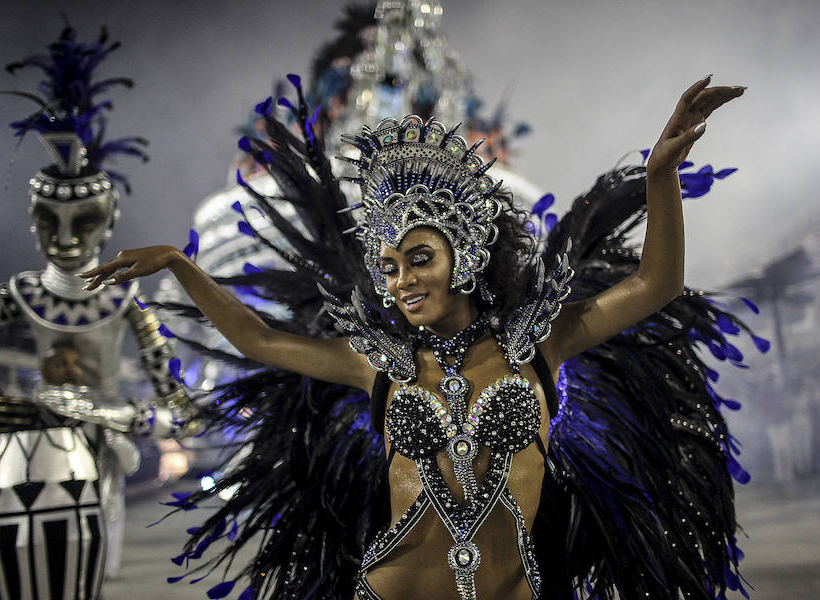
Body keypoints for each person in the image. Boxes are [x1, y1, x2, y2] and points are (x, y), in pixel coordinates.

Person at [81, 74, 745, 600]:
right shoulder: (380, 364)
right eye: (391, 267)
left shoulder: (538, 345)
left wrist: (660, 176)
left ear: (467, 254)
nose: (401, 281)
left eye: (420, 259)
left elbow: (656, 283)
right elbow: (259, 339)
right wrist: (180, 265)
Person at [0, 25, 199, 599]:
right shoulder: (21, 292)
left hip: (102, 446)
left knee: (89, 568)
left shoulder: (124, 299)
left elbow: (179, 405)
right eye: (50, 221)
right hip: (30, 443)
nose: (66, 239)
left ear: (110, 221)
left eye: (83, 221)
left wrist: (131, 417)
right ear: (32, 221)